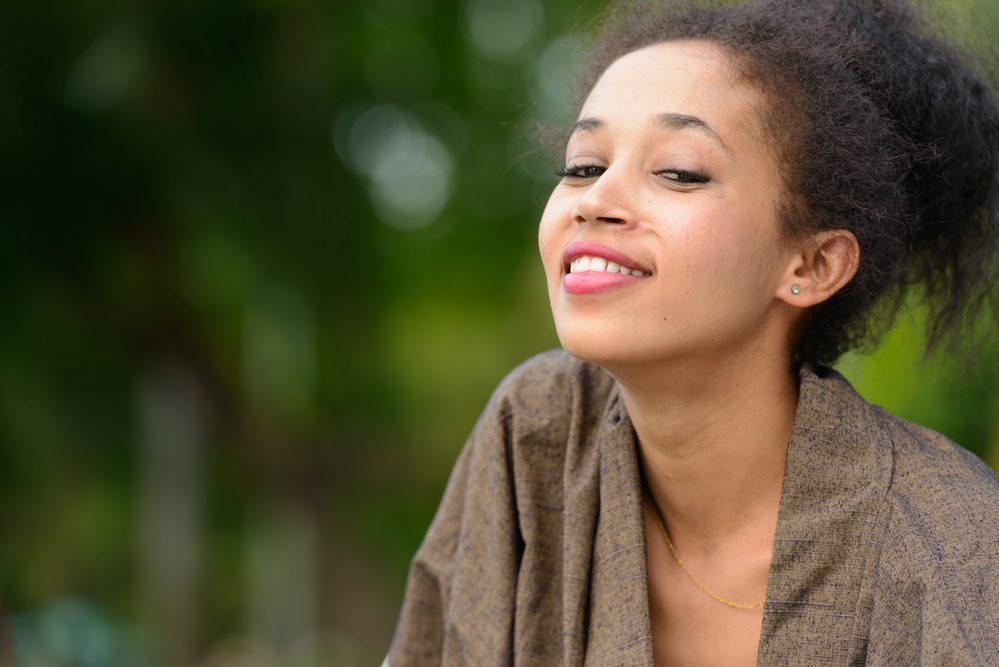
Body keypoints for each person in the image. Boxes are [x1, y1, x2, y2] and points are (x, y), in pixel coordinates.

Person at [387, 0, 999, 663]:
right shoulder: (534, 435)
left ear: (811, 264)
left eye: (677, 171)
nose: (593, 201)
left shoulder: (954, 539)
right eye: (582, 165)